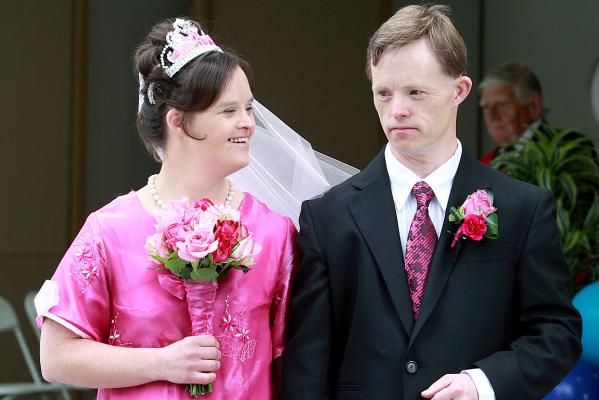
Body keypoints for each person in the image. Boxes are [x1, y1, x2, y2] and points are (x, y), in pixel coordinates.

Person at [282, 5, 582, 400]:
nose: (397, 110)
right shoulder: (328, 216)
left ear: (459, 90)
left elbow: (556, 333)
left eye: (415, 92)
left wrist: (482, 382)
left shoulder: (523, 209)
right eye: (383, 93)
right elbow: (308, 364)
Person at [36, 17, 298, 399]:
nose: (248, 124)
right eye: (228, 111)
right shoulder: (110, 230)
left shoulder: (273, 232)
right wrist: (162, 363)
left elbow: (294, 358)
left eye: (249, 108)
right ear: (179, 121)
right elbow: (56, 358)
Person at [478, 61, 594, 164]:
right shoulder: (491, 160)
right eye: (486, 107)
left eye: (502, 105)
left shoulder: (571, 148)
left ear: (534, 106)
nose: (491, 116)